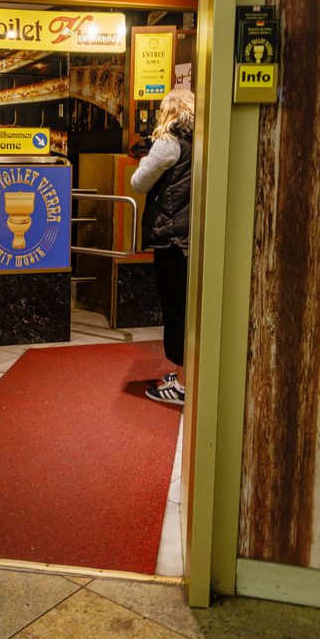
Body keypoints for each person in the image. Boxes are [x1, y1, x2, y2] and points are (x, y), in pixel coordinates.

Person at [130, 88, 194, 405]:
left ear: (168, 111)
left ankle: (181, 386)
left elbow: (139, 183)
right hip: (192, 238)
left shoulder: (168, 142)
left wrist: (146, 158)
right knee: (189, 310)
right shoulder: (202, 141)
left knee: (176, 312)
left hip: (170, 238)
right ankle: (188, 373)